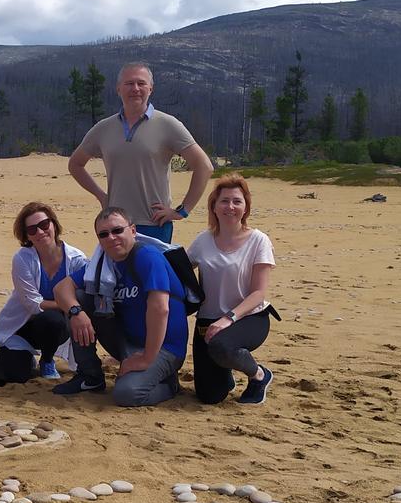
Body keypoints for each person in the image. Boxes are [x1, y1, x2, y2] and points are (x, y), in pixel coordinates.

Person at [50, 207, 188, 407]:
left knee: (127, 394)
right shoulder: (103, 264)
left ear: (132, 230)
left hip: (163, 348)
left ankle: (169, 385)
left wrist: (147, 358)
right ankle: (90, 376)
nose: (111, 238)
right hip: (127, 341)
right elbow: (61, 289)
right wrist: (76, 312)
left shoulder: (147, 256)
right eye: (104, 234)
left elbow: (160, 309)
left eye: (117, 231)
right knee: (80, 298)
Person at [68, 63, 213, 243]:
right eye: (129, 83)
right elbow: (75, 164)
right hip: (116, 225)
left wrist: (182, 210)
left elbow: (204, 166)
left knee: (152, 271)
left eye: (141, 83)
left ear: (150, 89)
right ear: (118, 89)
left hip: (154, 224)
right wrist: (102, 196)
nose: (135, 88)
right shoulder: (103, 128)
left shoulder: (168, 124)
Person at [187, 174, 277, 405]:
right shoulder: (203, 240)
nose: (230, 207)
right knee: (209, 396)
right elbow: (180, 272)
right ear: (214, 207)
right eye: (224, 201)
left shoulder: (258, 240)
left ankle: (258, 375)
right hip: (208, 319)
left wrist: (229, 318)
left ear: (245, 207)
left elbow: (258, 293)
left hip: (249, 316)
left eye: (237, 201)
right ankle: (224, 373)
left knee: (221, 346)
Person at [0, 201, 88, 383]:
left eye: (44, 225)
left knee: (53, 320)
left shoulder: (76, 259)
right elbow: (32, 304)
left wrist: (71, 309)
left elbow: (84, 297)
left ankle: (48, 360)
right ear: (26, 235)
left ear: (53, 224)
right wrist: (66, 305)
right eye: (32, 229)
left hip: (58, 326)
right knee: (15, 375)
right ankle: (26, 357)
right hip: (23, 327)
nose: (41, 232)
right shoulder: (22, 258)